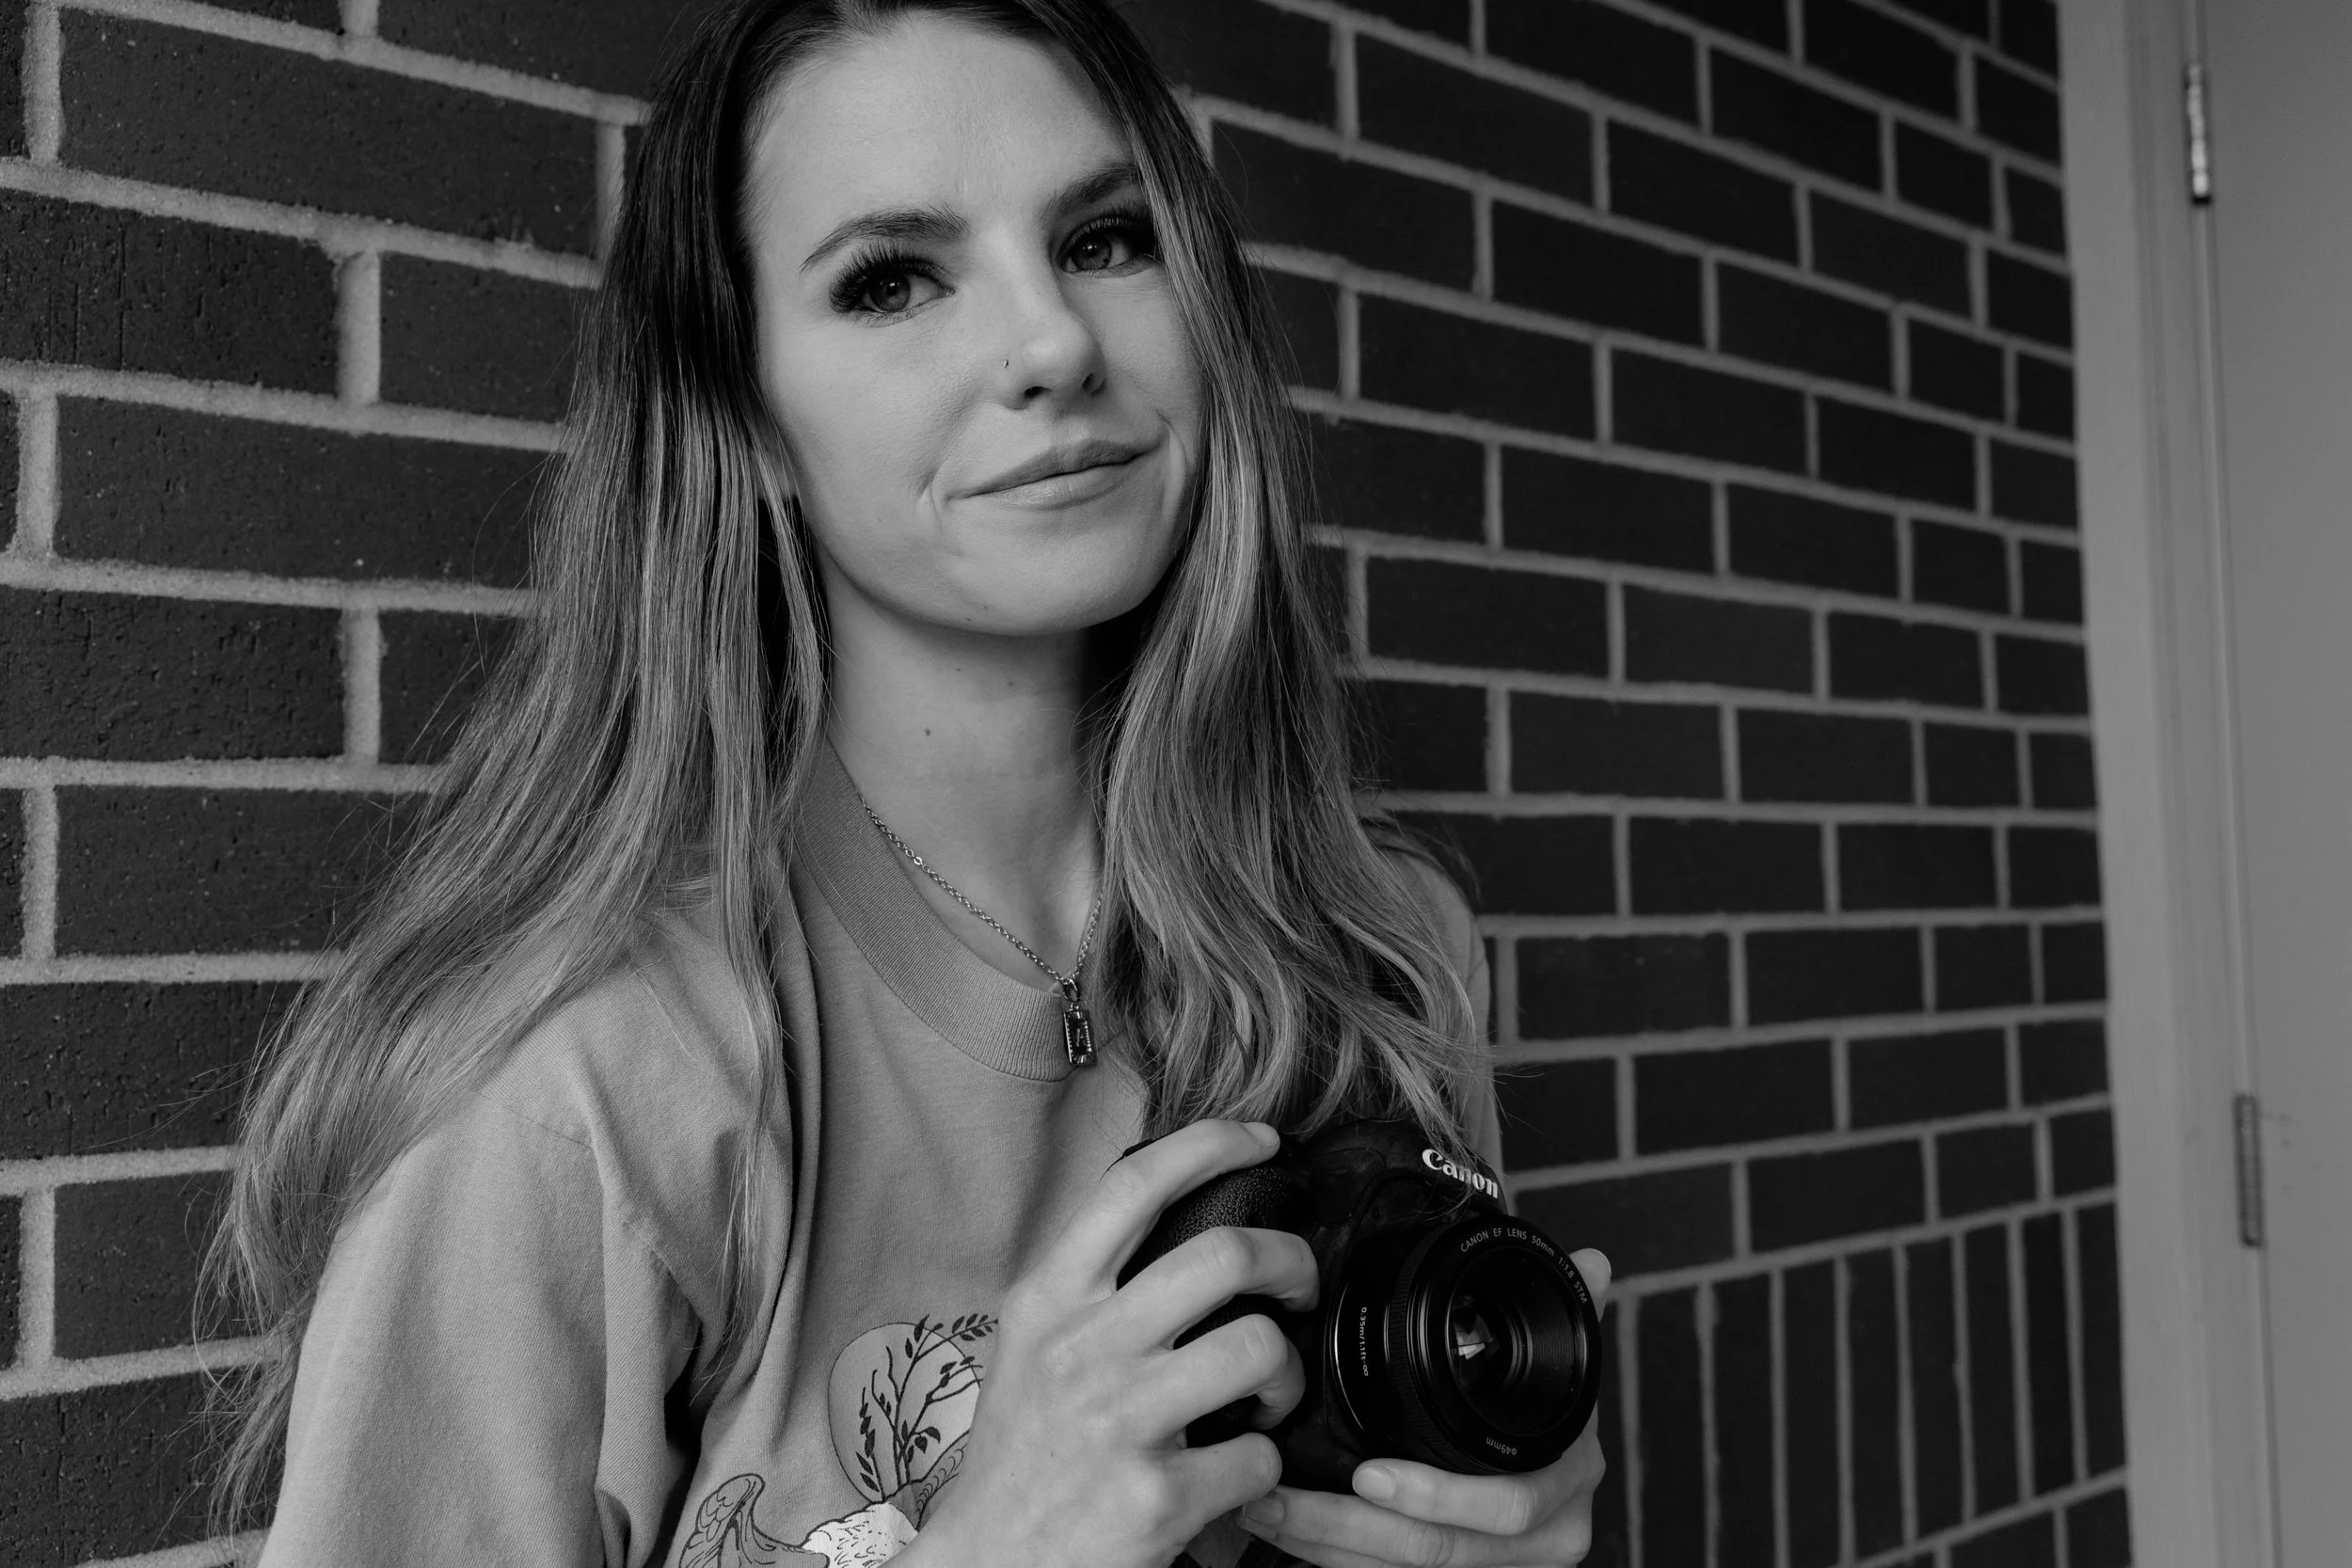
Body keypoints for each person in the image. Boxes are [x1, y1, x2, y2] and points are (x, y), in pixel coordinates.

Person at [206, 3, 1612, 1564]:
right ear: (745, 424)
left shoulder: (1379, 953)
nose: (1053, 342)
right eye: (892, 278)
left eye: (1105, 237)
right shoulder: (582, 1083)